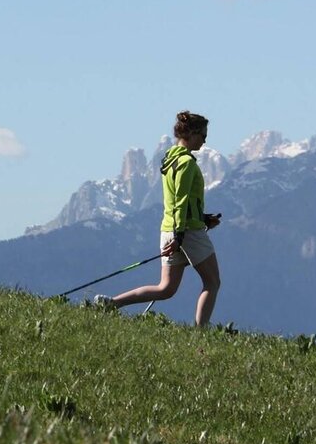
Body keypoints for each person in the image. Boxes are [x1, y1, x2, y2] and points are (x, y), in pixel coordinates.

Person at [94, 111, 222, 325]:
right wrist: (181, 235)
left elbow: (178, 202)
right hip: (187, 232)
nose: (205, 140)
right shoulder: (187, 163)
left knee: (166, 288)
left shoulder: (170, 160)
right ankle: (202, 334)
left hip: (169, 229)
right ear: (191, 133)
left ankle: (112, 304)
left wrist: (203, 218)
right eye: (203, 135)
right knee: (212, 282)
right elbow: (181, 201)